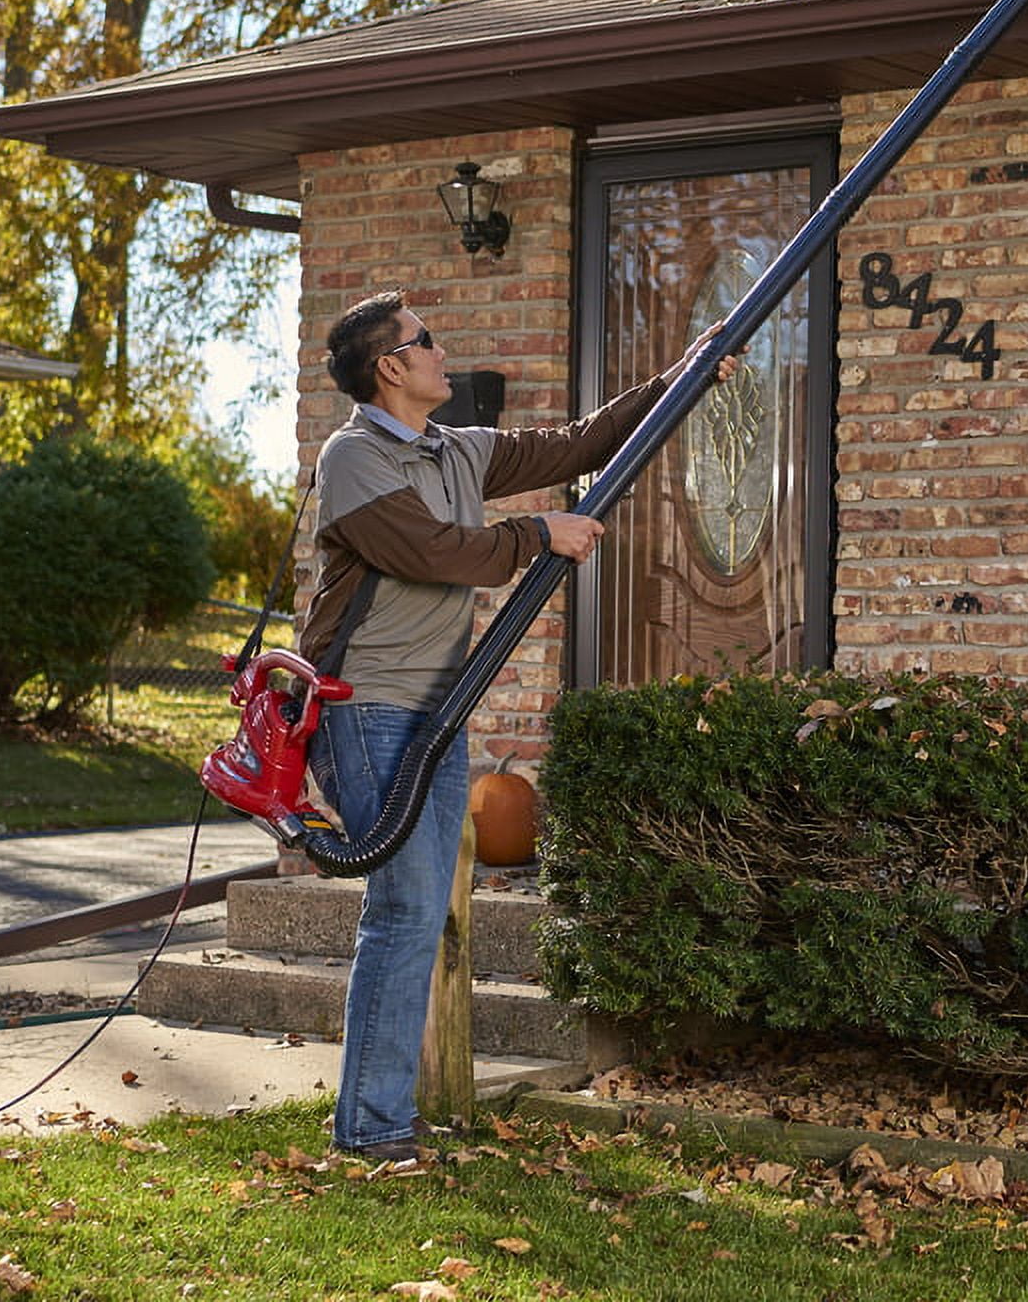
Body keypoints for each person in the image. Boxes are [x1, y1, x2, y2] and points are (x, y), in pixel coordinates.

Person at [299, 287, 735, 1159]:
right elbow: (430, 552)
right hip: (366, 708)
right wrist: (541, 532)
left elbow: (576, 444)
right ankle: (373, 1131)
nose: (440, 353)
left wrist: (687, 372)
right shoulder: (354, 459)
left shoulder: (458, 450)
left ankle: (379, 1123)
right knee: (408, 910)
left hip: (436, 712)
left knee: (418, 912)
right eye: (426, 342)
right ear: (391, 367)